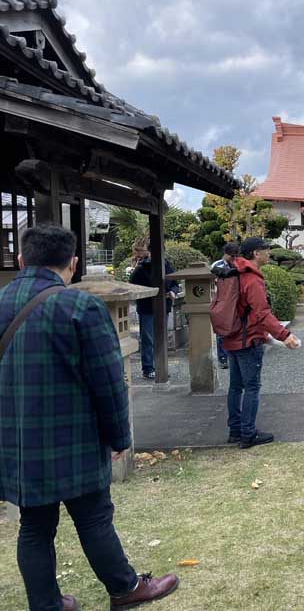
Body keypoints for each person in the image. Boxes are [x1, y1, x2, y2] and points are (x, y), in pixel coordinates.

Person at [0, 225, 178, 611]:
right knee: (94, 517)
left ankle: (46, 603)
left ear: (21, 260)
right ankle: (126, 588)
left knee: (34, 526)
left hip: (15, 439)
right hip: (74, 436)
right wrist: (119, 438)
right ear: (73, 263)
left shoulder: (1, 302)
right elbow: (108, 382)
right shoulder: (80, 307)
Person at [221, 237, 300, 448]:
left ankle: (235, 430)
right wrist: (284, 335)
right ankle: (248, 433)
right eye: (266, 250)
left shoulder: (233, 273)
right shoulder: (252, 279)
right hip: (248, 339)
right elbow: (262, 313)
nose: (269, 253)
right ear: (256, 253)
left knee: (235, 386)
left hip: (231, 336)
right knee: (252, 387)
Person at [129, 238, 179, 381]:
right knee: (148, 339)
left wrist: (173, 292)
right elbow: (132, 283)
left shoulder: (166, 264)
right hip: (147, 307)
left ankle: (161, 366)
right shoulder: (142, 266)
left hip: (164, 306)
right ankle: (148, 368)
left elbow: (174, 283)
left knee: (161, 337)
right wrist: (141, 264)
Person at [211, 241, 240, 369]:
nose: (233, 258)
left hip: (233, 300)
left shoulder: (236, 264)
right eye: (231, 255)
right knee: (222, 330)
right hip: (221, 300)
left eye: (235, 255)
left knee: (233, 328)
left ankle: (232, 355)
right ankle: (223, 357)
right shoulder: (217, 265)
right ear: (225, 253)